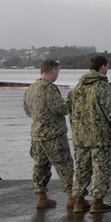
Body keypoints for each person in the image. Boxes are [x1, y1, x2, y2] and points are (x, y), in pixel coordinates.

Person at [67, 55, 111, 214]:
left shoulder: (76, 90)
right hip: (102, 138)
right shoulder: (105, 89)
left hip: (81, 138)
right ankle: (97, 203)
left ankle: (78, 202)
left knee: (81, 169)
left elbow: (71, 114)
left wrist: (76, 132)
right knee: (100, 170)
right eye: (107, 66)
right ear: (103, 67)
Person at [23, 59, 75, 209]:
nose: (58, 74)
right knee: (64, 164)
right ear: (53, 70)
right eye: (58, 71)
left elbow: (27, 111)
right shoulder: (49, 88)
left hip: (37, 135)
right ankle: (72, 197)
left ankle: (41, 197)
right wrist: (71, 101)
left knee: (40, 166)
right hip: (54, 135)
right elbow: (62, 109)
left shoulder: (31, 88)